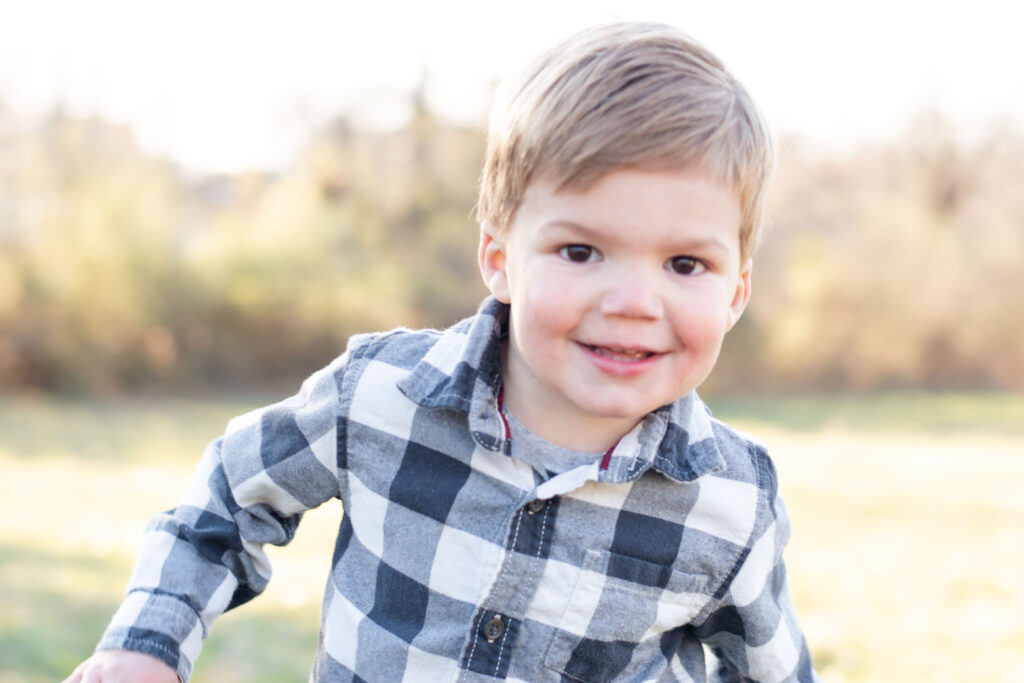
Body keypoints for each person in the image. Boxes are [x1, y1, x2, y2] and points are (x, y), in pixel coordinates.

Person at [65, 22, 818, 683]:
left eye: (685, 264)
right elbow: (226, 500)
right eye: (581, 249)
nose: (632, 301)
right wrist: (148, 644)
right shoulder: (381, 397)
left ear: (737, 292)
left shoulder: (730, 503)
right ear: (499, 256)